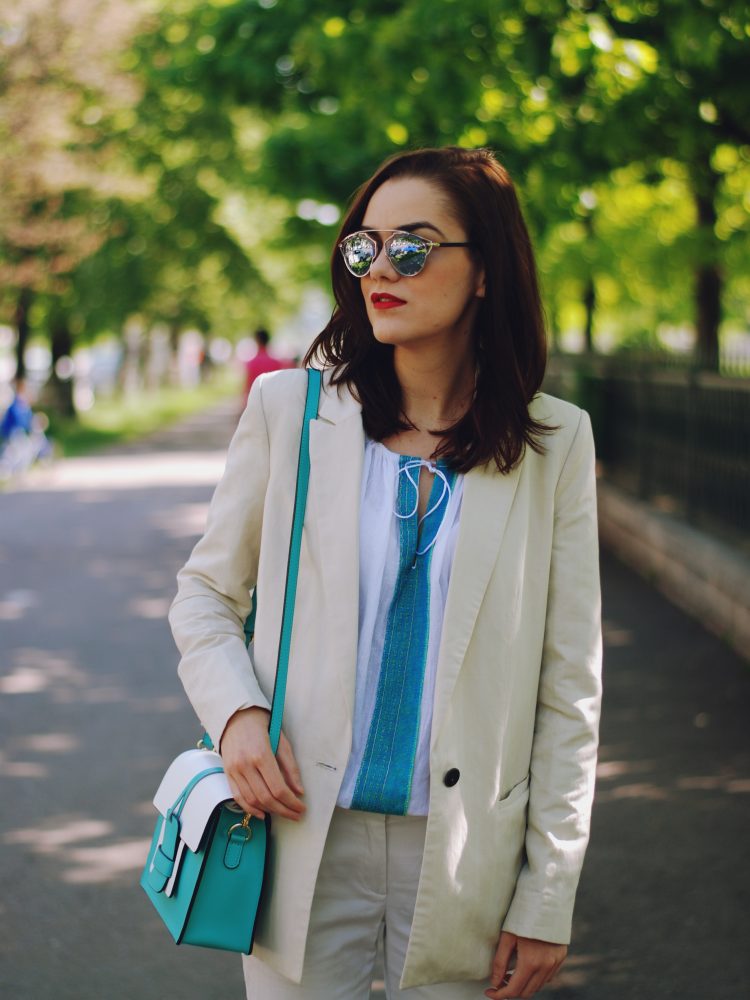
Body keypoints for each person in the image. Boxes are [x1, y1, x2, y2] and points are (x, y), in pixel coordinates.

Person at [169, 146, 602, 999]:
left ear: (484, 273)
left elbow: (568, 685)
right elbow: (206, 595)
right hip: (299, 841)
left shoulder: (556, 444)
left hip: (462, 856)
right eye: (364, 248)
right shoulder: (291, 412)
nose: (379, 269)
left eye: (413, 247)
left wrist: (548, 892)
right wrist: (237, 716)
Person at [241, 327, 284, 408]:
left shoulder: (252, 363)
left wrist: (243, 403)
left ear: (257, 340)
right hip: (272, 402)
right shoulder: (276, 363)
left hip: (255, 402)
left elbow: (247, 384)